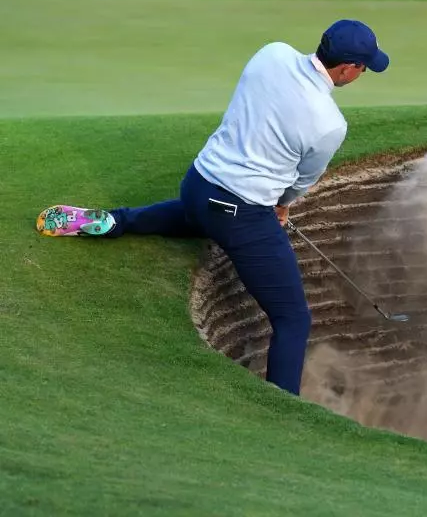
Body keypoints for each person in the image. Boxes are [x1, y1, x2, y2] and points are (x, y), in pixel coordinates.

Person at [34, 20, 392, 397]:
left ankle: (112, 222)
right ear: (348, 67)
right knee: (293, 319)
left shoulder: (272, 52)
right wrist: (283, 207)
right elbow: (303, 180)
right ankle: (285, 412)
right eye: (364, 67)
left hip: (198, 183)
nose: (362, 73)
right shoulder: (329, 124)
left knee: (198, 215)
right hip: (240, 214)